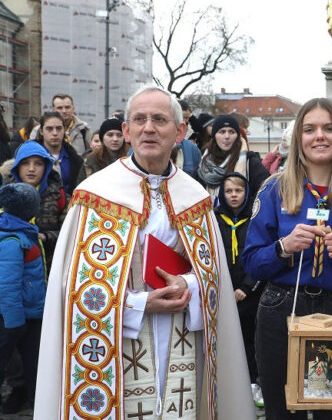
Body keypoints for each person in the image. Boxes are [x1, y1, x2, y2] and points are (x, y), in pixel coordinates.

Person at [34, 85, 257, 419]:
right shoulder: (95, 195)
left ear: (180, 131)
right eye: (139, 119)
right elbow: (74, 293)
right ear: (126, 130)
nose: (148, 128)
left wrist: (189, 285)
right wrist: (139, 303)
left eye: (159, 119)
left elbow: (214, 280)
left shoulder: (194, 197)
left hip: (183, 339)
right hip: (118, 346)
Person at [241, 98, 332, 420]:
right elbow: (250, 262)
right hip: (281, 308)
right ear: (298, 138)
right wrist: (283, 247)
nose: (320, 136)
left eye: (328, 128)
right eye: (310, 129)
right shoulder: (274, 189)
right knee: (283, 410)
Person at [213, 172, 264, 405]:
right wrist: (222, 287)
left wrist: (247, 286)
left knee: (250, 338)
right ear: (222, 194)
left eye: (238, 191)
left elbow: (260, 254)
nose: (234, 196)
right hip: (223, 292)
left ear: (246, 193)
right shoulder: (214, 220)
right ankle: (225, 384)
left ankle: (253, 382)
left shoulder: (255, 220)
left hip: (248, 293)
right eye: (229, 191)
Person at [0, 183, 45, 414]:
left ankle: (38, 404)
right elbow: (8, 287)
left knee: (33, 363)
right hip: (16, 319)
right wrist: (14, 323)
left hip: (31, 313)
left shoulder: (23, 232)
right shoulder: (12, 241)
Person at [5, 141, 67, 276]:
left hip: (51, 271)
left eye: (38, 163)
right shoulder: (6, 196)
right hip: (12, 271)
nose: (31, 169)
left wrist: (45, 237)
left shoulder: (59, 196)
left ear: (46, 166)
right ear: (17, 167)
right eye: (25, 163)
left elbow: (69, 235)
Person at [197, 114, 269, 204]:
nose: (227, 136)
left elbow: (266, 191)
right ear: (214, 135)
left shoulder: (250, 162)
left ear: (238, 135)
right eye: (222, 132)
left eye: (231, 132)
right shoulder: (204, 163)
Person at [36, 111, 86, 195]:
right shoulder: (32, 157)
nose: (55, 133)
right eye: (49, 129)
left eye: (59, 128)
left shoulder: (76, 160)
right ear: (41, 131)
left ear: (64, 130)